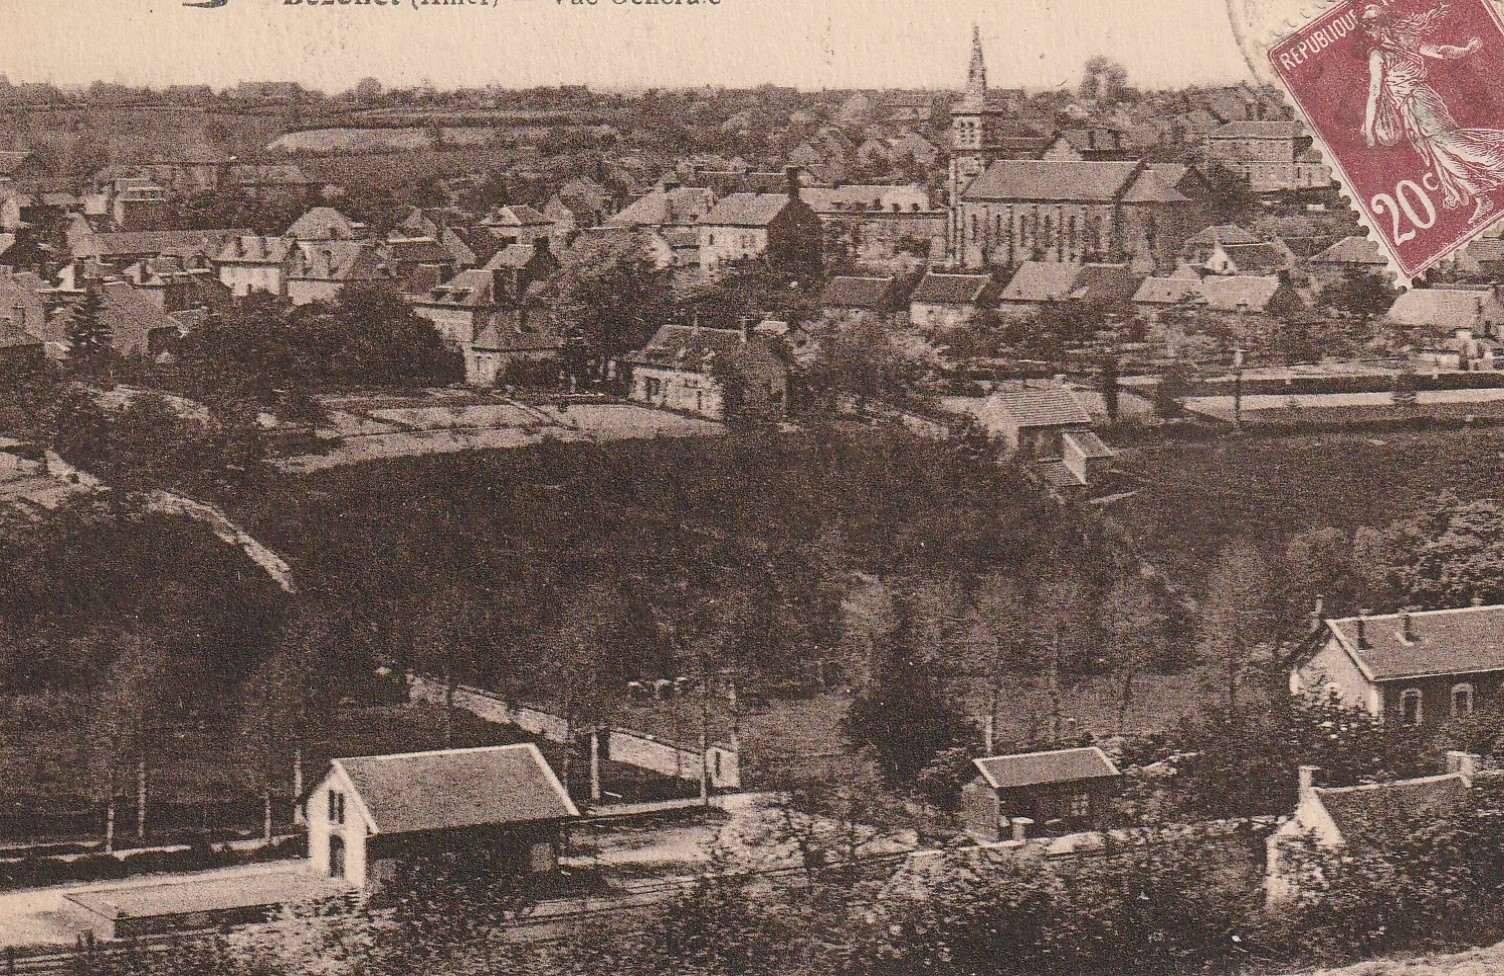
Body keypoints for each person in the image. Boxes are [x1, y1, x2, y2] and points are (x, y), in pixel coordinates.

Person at [1363, 0, 1504, 223]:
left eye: (1372, 26)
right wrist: (1466, 50)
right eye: (1367, 27)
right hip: (1413, 108)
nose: (1370, 31)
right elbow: (1439, 52)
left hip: (1420, 103)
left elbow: (1375, 91)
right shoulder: (1402, 43)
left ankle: (1498, 163)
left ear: (1384, 25)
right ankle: (1482, 197)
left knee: (1451, 144)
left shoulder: (1379, 55)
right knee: (1443, 156)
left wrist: (1370, 131)